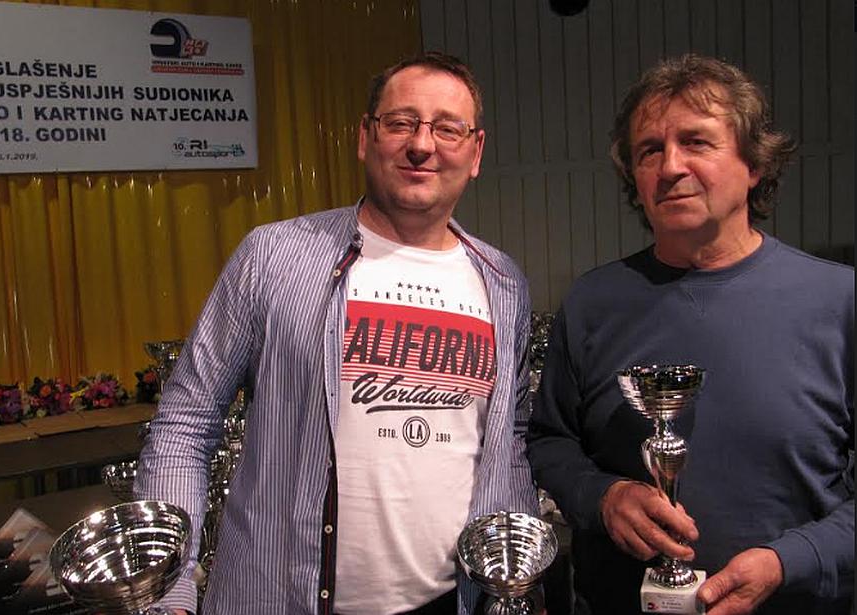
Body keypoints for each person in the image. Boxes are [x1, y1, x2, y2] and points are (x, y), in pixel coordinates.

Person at [134, 51, 538, 615]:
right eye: (401, 122)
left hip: (453, 601)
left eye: (448, 128)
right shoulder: (273, 257)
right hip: (279, 601)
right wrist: (167, 591)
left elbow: (507, 445)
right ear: (365, 138)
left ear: (476, 152)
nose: (422, 145)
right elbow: (185, 423)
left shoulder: (502, 282)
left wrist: (515, 582)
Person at [527, 54, 853, 615]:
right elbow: (549, 441)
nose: (671, 166)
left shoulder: (839, 301)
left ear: (754, 163)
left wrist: (789, 561)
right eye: (649, 150)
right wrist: (603, 496)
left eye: (697, 142)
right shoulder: (593, 303)